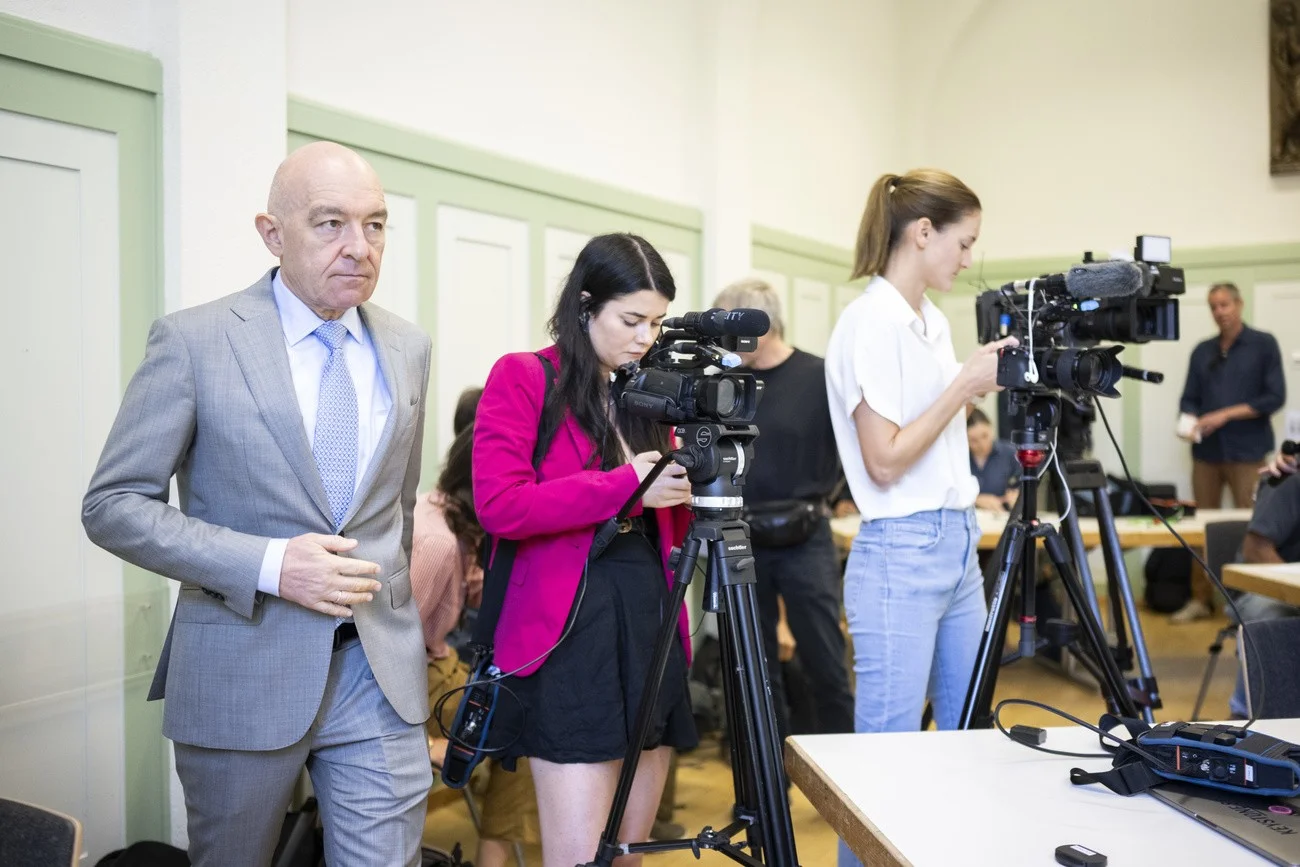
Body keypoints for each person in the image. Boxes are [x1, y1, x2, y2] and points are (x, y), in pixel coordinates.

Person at [81, 142, 433, 866]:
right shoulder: (195, 341)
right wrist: (272, 564)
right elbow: (114, 503)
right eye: (330, 223)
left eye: (375, 225)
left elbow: (393, 508)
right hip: (243, 665)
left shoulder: (407, 345)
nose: (357, 248)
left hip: (377, 673)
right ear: (272, 234)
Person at [472, 233, 699, 867]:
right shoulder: (525, 376)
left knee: (628, 853)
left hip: (649, 617)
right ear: (584, 305)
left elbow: (671, 510)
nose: (644, 337)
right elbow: (501, 506)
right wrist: (627, 487)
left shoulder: (649, 393)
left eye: (655, 322)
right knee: (578, 857)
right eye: (630, 319)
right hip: (570, 629)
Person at [825, 168, 1015, 867]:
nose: (968, 260)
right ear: (923, 232)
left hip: (958, 548)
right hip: (899, 554)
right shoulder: (867, 324)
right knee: (884, 765)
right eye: (963, 243)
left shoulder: (930, 322)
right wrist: (965, 385)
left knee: (969, 740)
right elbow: (884, 459)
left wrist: (963, 382)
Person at [712, 277, 855, 738]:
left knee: (826, 664)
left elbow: (856, 447)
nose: (722, 346)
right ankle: (766, 791)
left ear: (762, 325)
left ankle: (847, 783)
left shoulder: (821, 376)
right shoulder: (725, 384)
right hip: (740, 536)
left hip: (806, 537)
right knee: (756, 672)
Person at [412, 395, 540, 867]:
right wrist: (423, 744)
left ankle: (493, 854)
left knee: (520, 717)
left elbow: (479, 596)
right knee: (518, 730)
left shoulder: (448, 517)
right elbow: (379, 652)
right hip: (412, 676)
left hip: (435, 663)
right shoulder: (436, 543)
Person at [1174, 281, 1286, 622]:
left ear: (1239, 304)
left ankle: (1249, 600)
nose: (1219, 312)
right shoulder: (1202, 351)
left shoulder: (1263, 344)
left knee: (1251, 528)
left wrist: (1223, 415)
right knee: (1200, 530)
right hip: (1206, 455)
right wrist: (1189, 423)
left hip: (1248, 454)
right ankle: (1200, 598)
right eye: (1213, 306)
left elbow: (1273, 397)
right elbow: (1188, 399)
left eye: (1225, 304)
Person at [1226, 473, 1300, 717]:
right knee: (1274, 620)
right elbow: (1255, 549)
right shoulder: (1288, 479)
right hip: (1262, 588)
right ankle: (1246, 715)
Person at [966, 407, 1020, 512]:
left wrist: (1018, 496)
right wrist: (976, 500)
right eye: (973, 440)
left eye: (985, 436)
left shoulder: (1010, 453)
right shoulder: (959, 458)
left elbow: (1024, 484)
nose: (981, 444)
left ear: (991, 428)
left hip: (1002, 515)